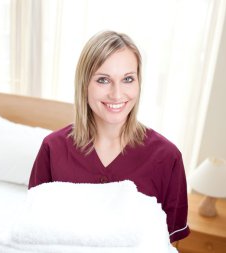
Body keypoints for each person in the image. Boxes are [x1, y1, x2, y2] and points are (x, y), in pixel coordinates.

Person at [28, 30, 190, 243]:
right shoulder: (53, 148)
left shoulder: (167, 158)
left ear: (139, 83)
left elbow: (169, 241)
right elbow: (35, 227)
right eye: (103, 80)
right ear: (84, 84)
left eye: (128, 79)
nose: (116, 94)